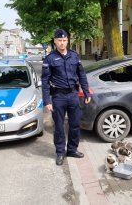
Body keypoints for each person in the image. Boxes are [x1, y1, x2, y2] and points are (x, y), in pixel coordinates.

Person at [41, 29, 91, 165]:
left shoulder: (74, 56)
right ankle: (60, 152)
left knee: (75, 124)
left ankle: (72, 150)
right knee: (59, 126)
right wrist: (47, 100)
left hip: (73, 95)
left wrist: (86, 92)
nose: (62, 43)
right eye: (59, 40)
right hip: (58, 97)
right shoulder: (50, 59)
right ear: (55, 41)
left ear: (67, 41)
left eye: (64, 40)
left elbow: (82, 75)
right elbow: (44, 81)